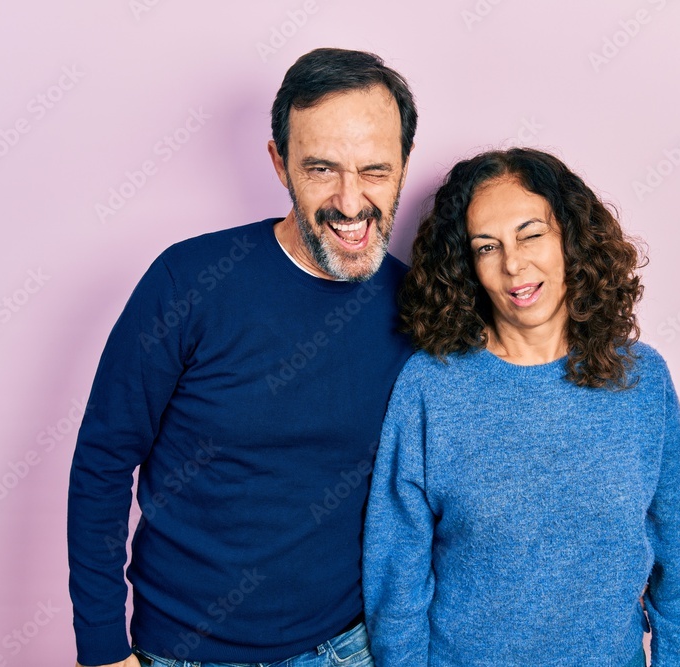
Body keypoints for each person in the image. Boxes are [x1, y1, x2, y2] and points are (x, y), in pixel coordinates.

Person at [67, 48, 416, 667]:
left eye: (375, 170)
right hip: (180, 652)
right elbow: (102, 460)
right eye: (321, 169)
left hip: (347, 648)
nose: (351, 199)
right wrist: (101, 648)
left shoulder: (418, 307)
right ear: (279, 164)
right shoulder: (188, 282)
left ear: (403, 168)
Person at [363, 148, 680, 666]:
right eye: (486, 247)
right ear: (467, 266)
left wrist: (676, 658)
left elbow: (675, 549)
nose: (513, 263)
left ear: (569, 235)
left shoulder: (642, 380)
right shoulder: (431, 386)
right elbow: (396, 569)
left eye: (531, 234)